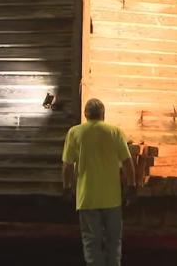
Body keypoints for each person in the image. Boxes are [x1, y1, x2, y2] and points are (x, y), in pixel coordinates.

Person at [62, 98, 136, 266]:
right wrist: (131, 187)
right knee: (113, 242)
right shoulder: (115, 132)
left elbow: (67, 165)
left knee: (91, 243)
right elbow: (127, 162)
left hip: (86, 198)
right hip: (112, 198)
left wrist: (67, 188)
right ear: (103, 114)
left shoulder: (75, 132)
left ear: (85, 114)